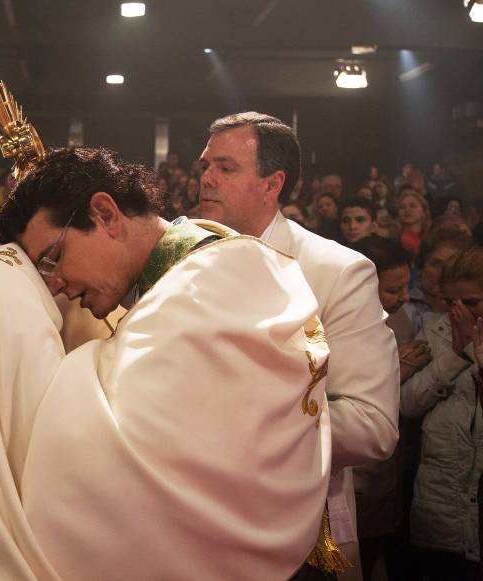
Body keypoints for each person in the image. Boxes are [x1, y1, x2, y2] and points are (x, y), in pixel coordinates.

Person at [0, 146, 333, 580]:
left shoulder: (205, 289)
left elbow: (101, 465)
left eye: (53, 258)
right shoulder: (196, 274)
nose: (57, 283)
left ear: (105, 213)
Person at [198, 111, 400, 579]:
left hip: (298, 526)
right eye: (205, 166)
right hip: (199, 519)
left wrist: (239, 426)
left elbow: (374, 424)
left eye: (225, 169)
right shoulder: (186, 258)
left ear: (273, 184)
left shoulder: (337, 271)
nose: (206, 179)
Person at [349, 236, 431, 580]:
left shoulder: (402, 322)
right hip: (349, 471)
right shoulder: (332, 325)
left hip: (385, 472)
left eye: (405, 287)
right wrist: (393, 368)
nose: (405, 297)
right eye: (393, 290)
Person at [400, 247, 483, 579]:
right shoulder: (435, 331)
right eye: (451, 303)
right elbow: (408, 402)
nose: (458, 311)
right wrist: (455, 355)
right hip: (441, 490)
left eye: (471, 302)